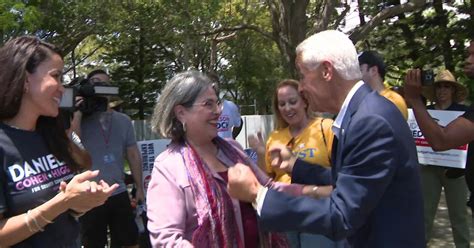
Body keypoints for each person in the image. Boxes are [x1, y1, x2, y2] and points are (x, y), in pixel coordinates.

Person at [227, 30, 425, 248]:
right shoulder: (362, 113)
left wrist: (259, 195)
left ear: (326, 71)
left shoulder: (369, 122)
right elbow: (349, 179)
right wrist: (295, 165)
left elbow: (342, 214)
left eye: (303, 75)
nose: (301, 87)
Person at [146, 70, 329, 247]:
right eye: (208, 104)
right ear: (181, 113)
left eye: (217, 103)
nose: (218, 111)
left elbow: (268, 189)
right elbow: (166, 239)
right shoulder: (169, 166)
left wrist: (316, 191)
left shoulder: (232, 150)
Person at [0, 36, 118, 247]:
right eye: (56, 76)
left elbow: (84, 163)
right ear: (25, 80)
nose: (63, 89)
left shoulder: (52, 132)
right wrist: (62, 201)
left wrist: (81, 203)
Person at [249, 79, 334, 248]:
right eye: (282, 104)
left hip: (316, 211)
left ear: (305, 101)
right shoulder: (275, 137)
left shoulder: (326, 128)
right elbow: (266, 180)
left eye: (292, 102)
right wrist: (260, 153)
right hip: (283, 212)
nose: (287, 108)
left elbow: (340, 173)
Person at [73, 69, 144, 248]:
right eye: (95, 83)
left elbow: (133, 155)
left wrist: (140, 187)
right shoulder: (79, 118)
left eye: (104, 84)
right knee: (93, 243)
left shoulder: (123, 120)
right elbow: (74, 144)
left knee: (128, 241)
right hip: (89, 192)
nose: (99, 87)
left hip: (118, 191)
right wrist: (78, 112)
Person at [415, 69, 471, 247]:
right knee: (424, 213)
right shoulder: (425, 111)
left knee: (459, 215)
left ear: (453, 91)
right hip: (428, 168)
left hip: (457, 171)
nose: (442, 90)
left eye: (447, 86)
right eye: (439, 86)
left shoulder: (466, 112)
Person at [358, 50, 409, 120]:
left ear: (373, 70)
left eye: (360, 70)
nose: (356, 75)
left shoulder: (393, 100)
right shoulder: (362, 100)